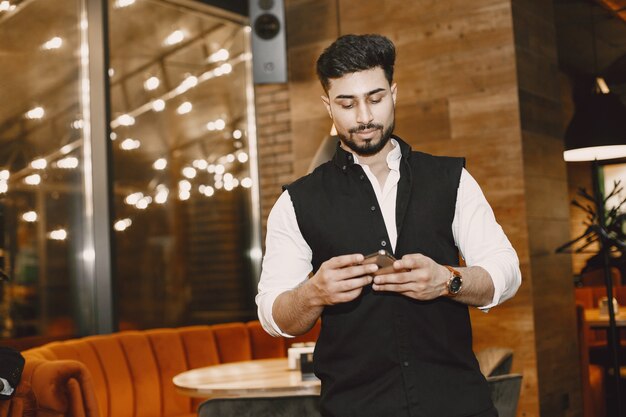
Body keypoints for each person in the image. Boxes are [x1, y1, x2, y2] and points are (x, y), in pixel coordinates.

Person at [256, 34, 522, 417]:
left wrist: (447, 280)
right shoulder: (295, 203)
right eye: (347, 103)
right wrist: (313, 294)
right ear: (327, 105)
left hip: (457, 404)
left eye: (375, 98)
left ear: (394, 92)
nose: (364, 117)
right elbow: (273, 315)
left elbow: (507, 272)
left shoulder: (452, 179)